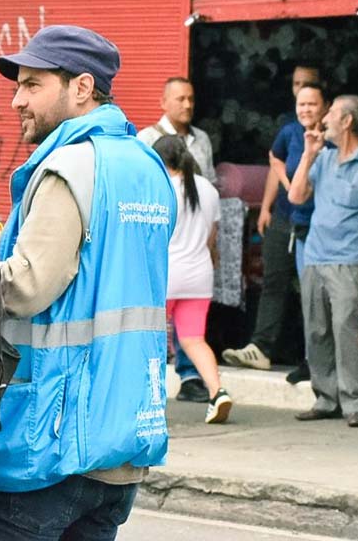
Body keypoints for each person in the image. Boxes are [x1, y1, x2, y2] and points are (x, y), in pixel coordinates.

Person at [0, 25, 176, 540]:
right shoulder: (146, 166)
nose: (16, 100)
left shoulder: (71, 168)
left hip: (50, 446)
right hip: (121, 440)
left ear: (82, 88)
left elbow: (26, 287)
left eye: (32, 85)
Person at [287, 94, 358, 428]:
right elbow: (296, 196)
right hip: (315, 256)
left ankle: (353, 402)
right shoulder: (323, 158)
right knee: (316, 330)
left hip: (350, 259)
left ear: (347, 121)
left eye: (330, 112)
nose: (324, 118)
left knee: (346, 331)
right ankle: (325, 398)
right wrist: (308, 154)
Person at [223, 77, 326, 379]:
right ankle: (261, 348)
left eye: (312, 104)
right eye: (301, 104)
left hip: (315, 223)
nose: (306, 109)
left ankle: (312, 357)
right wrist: (269, 204)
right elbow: (275, 159)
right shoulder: (290, 132)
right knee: (273, 282)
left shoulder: (331, 138)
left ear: (325, 107)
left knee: (312, 291)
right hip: (283, 217)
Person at [138, 76, 215, 402]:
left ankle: (184, 380)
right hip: (187, 262)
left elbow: (208, 184)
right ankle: (211, 388)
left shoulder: (202, 140)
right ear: (164, 102)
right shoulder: (146, 139)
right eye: (180, 98)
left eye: (191, 99)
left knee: (161, 330)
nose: (187, 105)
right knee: (183, 331)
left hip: (179, 258)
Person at [153, 134, 231, 424]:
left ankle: (147, 401)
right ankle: (217, 392)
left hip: (166, 276)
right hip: (199, 276)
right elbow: (211, 240)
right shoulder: (208, 189)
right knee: (194, 340)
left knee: (150, 339)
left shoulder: (160, 188)